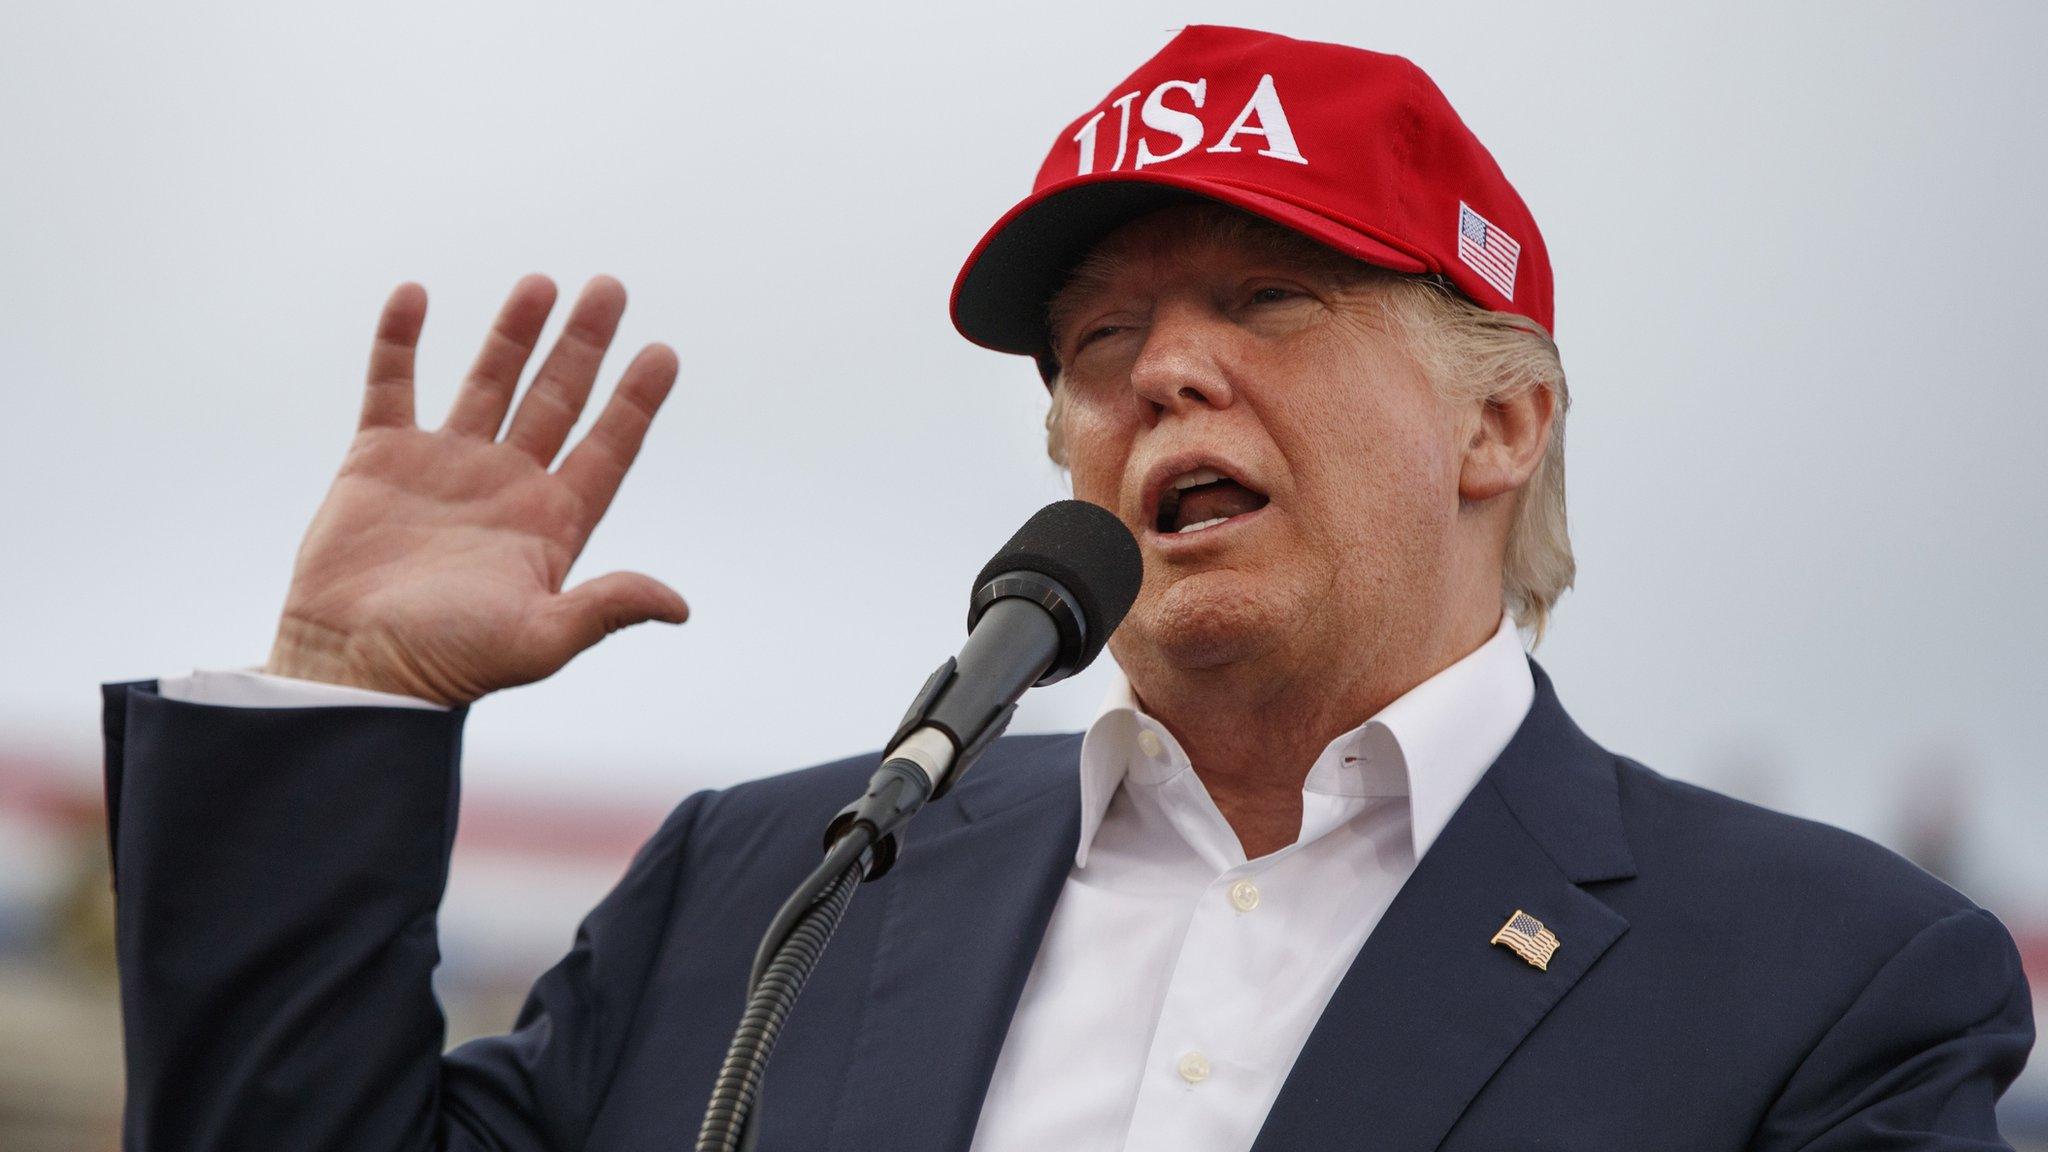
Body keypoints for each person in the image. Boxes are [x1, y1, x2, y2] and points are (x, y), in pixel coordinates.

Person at [100, 24, 2033, 1151]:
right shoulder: (767, 889)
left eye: (1267, 301)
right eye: (1101, 339)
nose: (1163, 373)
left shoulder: (1831, 981)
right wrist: (344, 689)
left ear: (1501, 422)